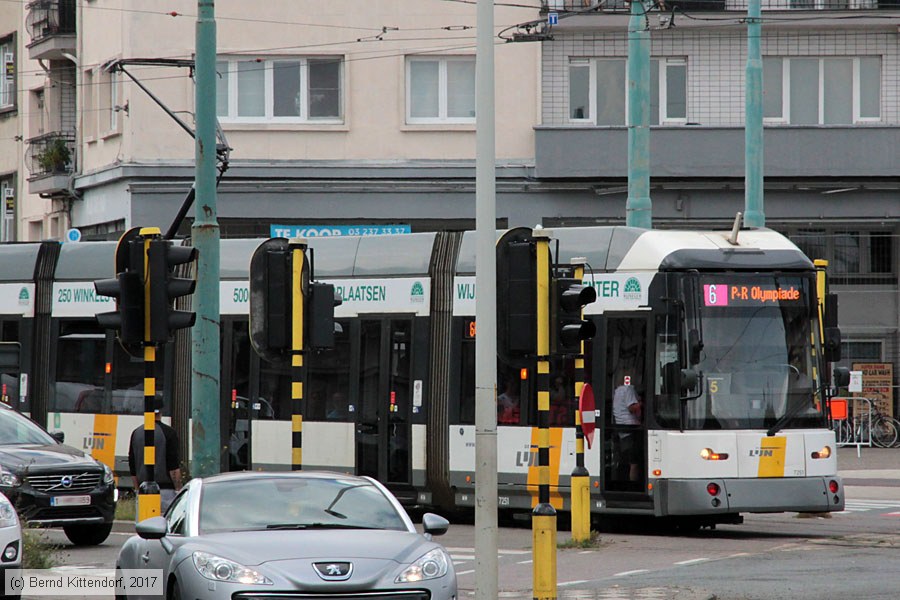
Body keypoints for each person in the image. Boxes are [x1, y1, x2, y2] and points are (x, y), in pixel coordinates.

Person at [128, 395, 182, 514]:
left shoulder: (136, 433)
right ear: (161, 410)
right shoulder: (169, 433)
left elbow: (132, 467)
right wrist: (178, 489)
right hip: (165, 492)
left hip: (144, 491)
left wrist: (138, 490)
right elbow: (173, 467)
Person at [612, 371, 642, 481]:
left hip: (622, 430)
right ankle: (633, 484)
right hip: (631, 429)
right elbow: (632, 408)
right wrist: (643, 403)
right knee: (634, 463)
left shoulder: (617, 391)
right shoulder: (628, 389)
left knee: (625, 459)